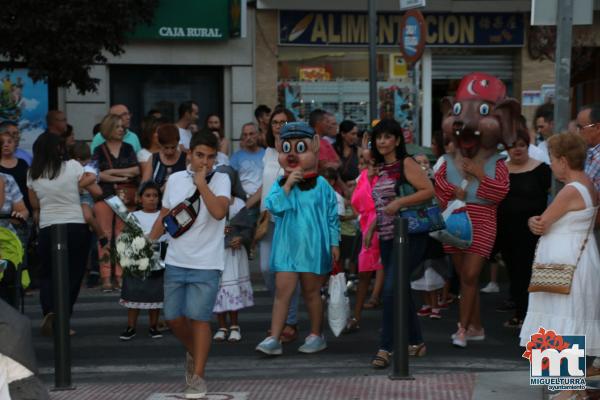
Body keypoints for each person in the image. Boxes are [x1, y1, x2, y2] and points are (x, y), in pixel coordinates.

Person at [149, 131, 231, 399]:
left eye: (210, 157)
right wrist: (145, 241)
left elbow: (219, 212)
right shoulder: (173, 180)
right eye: (199, 155)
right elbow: (165, 215)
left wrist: (202, 184)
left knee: (199, 319)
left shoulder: (221, 179)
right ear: (189, 154)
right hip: (176, 259)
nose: (204, 162)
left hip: (208, 263)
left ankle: (198, 377)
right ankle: (197, 354)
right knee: (173, 318)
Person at [520, 133, 600, 399]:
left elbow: (542, 223)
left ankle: (566, 391)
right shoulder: (587, 184)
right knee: (567, 321)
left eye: (553, 159)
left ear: (564, 161)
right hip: (577, 261)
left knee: (559, 321)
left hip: (564, 265)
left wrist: (533, 220)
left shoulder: (570, 190)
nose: (551, 165)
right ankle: (570, 389)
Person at [255, 122, 340, 356]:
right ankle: (274, 337)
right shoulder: (280, 184)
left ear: (313, 148)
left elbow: (332, 216)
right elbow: (273, 207)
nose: (292, 154)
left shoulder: (322, 185)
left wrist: (334, 243)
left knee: (312, 293)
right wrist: (288, 184)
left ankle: (315, 334)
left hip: (313, 247)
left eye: (299, 147)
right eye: (286, 148)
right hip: (286, 249)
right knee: (283, 293)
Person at [365, 119, 434, 367]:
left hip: (409, 235)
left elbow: (428, 190)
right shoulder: (383, 167)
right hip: (386, 236)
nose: (382, 141)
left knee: (391, 290)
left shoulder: (406, 163)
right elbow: (383, 204)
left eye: (387, 137)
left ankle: (386, 347)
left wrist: (400, 203)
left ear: (396, 139)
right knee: (399, 289)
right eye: (379, 137)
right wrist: (373, 226)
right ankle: (417, 342)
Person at [434, 132, 509, 348]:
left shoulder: (498, 162)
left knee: (469, 275)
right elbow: (437, 187)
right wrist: (453, 191)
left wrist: (480, 175)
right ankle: (476, 327)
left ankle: (462, 328)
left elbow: (501, 192)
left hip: (483, 221)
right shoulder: (447, 161)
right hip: (455, 220)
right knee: (467, 279)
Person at [27, 133, 91, 336]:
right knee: (73, 274)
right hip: (74, 226)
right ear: (58, 149)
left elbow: (35, 205)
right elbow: (90, 179)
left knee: (47, 273)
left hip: (48, 227)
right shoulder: (72, 166)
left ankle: (49, 311)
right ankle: (63, 319)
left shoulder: (32, 173)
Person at [246, 106, 301, 343]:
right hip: (266, 218)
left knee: (287, 271)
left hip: (289, 217)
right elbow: (264, 185)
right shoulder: (268, 152)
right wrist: (245, 206)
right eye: (275, 122)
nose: (279, 125)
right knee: (268, 269)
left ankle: (289, 320)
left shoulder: (298, 151)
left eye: (283, 121)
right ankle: (283, 311)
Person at [495, 129, 551, 328]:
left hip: (533, 232)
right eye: (512, 145)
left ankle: (532, 318)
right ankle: (520, 314)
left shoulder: (543, 169)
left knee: (529, 274)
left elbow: (553, 198)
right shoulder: (500, 169)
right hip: (506, 231)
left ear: (528, 146)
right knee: (514, 273)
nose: (517, 149)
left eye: (521, 145)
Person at [92, 114, 140, 292]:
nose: (121, 129)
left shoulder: (128, 147)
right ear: (109, 128)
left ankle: (120, 275)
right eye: (117, 126)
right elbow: (98, 174)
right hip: (104, 197)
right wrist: (121, 174)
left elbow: (136, 170)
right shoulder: (99, 149)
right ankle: (106, 276)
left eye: (122, 127)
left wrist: (112, 173)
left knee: (122, 236)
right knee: (104, 236)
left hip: (124, 197)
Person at [119, 182, 166, 341]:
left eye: (155, 196)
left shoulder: (163, 216)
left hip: (158, 260)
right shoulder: (133, 217)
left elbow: (167, 236)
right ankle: (131, 326)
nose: (152, 199)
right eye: (148, 196)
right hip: (137, 262)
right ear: (140, 199)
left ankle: (153, 326)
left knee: (155, 295)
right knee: (134, 294)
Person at [344, 147, 384, 333]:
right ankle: (356, 316)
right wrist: (367, 178)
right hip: (368, 229)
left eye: (368, 162)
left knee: (390, 273)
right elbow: (357, 203)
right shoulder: (364, 179)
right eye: (363, 162)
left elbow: (375, 204)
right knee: (364, 274)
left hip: (385, 228)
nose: (366, 166)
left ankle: (394, 318)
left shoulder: (385, 177)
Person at [212, 196, 254, 343]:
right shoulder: (210, 201)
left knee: (231, 287)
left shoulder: (239, 203)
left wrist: (240, 238)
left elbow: (247, 227)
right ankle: (222, 327)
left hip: (234, 254)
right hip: (216, 252)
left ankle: (235, 326)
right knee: (219, 288)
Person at [141, 124, 186, 190]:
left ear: (178, 142)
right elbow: (144, 185)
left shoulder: (186, 158)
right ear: (160, 143)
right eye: (166, 148)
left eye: (173, 147)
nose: (170, 152)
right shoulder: (154, 159)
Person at [229, 123, 265, 197]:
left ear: (258, 135)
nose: (248, 137)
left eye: (251, 134)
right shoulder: (236, 157)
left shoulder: (266, 154)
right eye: (245, 135)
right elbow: (230, 181)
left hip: (264, 198)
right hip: (243, 200)